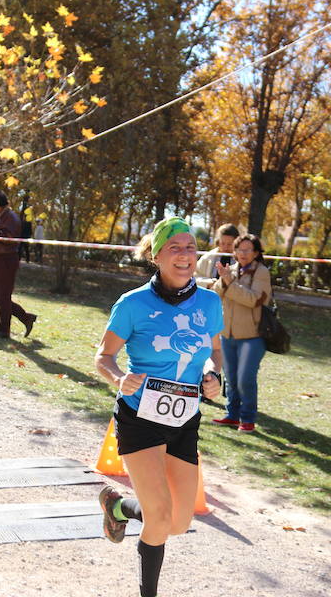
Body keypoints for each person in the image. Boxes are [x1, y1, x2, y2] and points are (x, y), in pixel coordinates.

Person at [94, 217, 224, 597]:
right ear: (157, 254)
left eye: (189, 247)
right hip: (139, 418)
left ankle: (118, 508)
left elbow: (215, 351)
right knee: (160, 517)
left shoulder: (210, 302)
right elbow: (103, 356)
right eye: (175, 248)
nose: (184, 255)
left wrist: (215, 375)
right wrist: (118, 377)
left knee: (178, 523)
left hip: (184, 420)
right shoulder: (132, 304)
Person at [210, 233, 272, 433]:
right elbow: (216, 293)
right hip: (228, 334)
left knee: (245, 378)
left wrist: (230, 283)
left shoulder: (261, 272)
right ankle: (232, 415)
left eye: (248, 250)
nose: (243, 253)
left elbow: (255, 300)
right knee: (231, 378)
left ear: (255, 252)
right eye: (240, 249)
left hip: (252, 336)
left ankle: (248, 419)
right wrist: (224, 280)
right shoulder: (232, 270)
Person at [0, 190, 37, 339]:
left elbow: (8, 238)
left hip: (7, 260)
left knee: (3, 297)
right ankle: (26, 318)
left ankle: (4, 330)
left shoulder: (11, 218)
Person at [195, 223, 240, 289]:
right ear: (218, 242)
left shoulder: (241, 259)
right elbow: (194, 277)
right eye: (222, 243)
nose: (225, 247)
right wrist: (208, 283)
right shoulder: (208, 257)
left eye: (229, 244)